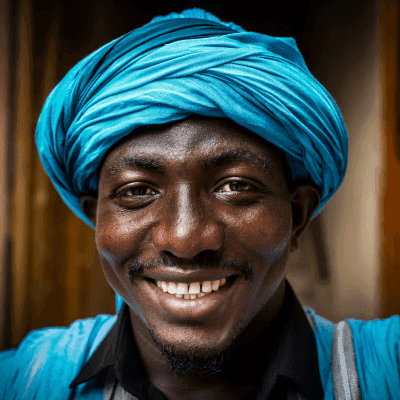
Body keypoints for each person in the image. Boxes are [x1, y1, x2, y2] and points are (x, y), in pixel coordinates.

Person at [0, 8, 399, 400]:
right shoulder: (24, 381)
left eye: (235, 185)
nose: (186, 238)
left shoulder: (387, 370)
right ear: (96, 219)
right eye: (137, 191)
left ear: (297, 216)